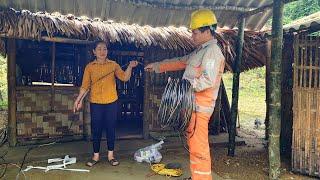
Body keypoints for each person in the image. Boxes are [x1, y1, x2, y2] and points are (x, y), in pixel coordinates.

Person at [145, 9, 225, 180]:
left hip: (199, 109)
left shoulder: (212, 52)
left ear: (207, 31)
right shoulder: (199, 51)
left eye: (195, 32)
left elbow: (207, 80)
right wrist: (158, 66)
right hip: (191, 107)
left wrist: (184, 87)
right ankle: (197, 176)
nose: (192, 36)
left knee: (199, 148)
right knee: (193, 144)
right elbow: (181, 62)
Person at [73, 40, 138, 167]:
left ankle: (111, 156)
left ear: (107, 51)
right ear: (94, 52)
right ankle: (95, 156)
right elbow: (85, 86)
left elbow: (124, 77)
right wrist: (78, 100)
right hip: (96, 102)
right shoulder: (90, 67)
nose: (102, 52)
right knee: (96, 129)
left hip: (111, 102)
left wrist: (130, 67)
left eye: (104, 49)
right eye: (99, 49)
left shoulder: (113, 65)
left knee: (110, 129)